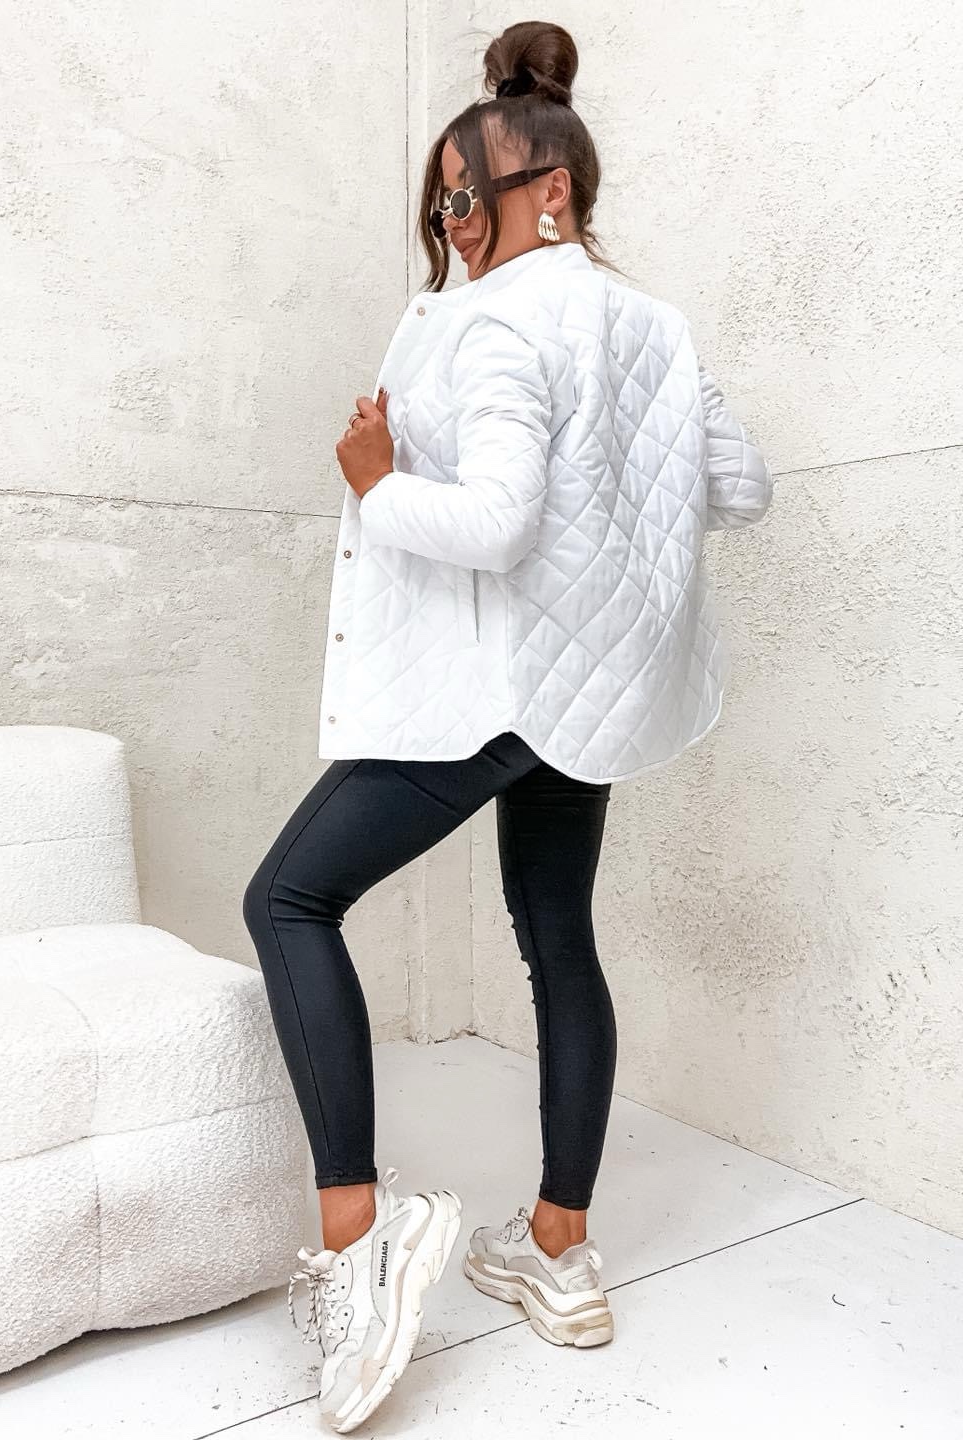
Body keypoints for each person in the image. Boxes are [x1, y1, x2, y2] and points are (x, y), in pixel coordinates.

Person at [242, 19, 773, 1434]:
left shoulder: (494, 321)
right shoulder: (654, 326)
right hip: (589, 700)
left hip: (492, 688)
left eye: (468, 196)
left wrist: (374, 479)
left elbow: (494, 523)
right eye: (441, 203)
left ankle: (361, 1244)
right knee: (558, 940)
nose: (452, 224)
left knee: (289, 899)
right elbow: (740, 486)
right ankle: (558, 1253)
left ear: (551, 191)